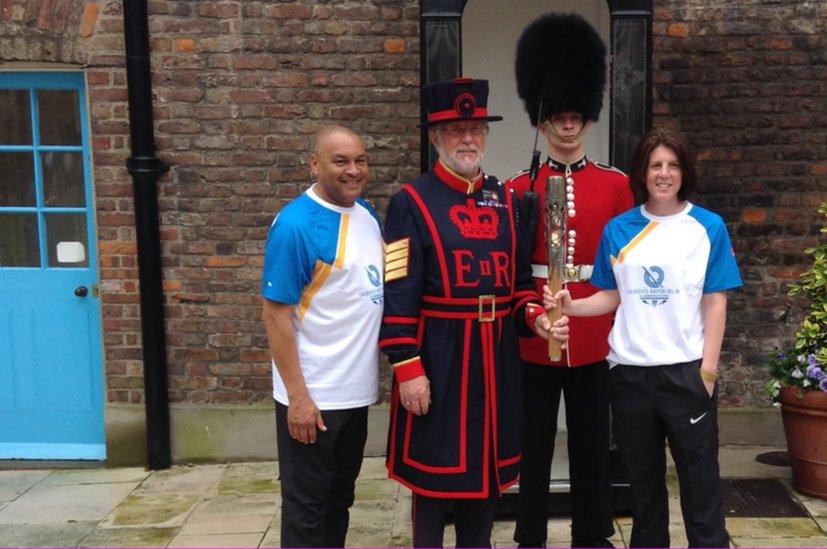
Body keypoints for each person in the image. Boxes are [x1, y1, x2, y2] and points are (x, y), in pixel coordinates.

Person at [379, 77, 565, 548]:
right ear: (435, 137)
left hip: (496, 357)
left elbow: (520, 285)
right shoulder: (410, 202)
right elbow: (397, 293)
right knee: (432, 481)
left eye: (476, 128)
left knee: (485, 475)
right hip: (439, 357)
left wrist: (535, 318)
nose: (468, 138)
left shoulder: (504, 199)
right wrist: (407, 367)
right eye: (457, 128)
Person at [546, 129, 741, 548]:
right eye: (656, 165)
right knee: (643, 489)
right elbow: (612, 294)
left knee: (700, 483)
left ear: (684, 172)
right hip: (631, 375)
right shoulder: (620, 229)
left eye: (672, 165)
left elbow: (716, 303)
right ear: (643, 172)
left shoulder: (708, 227)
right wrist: (573, 306)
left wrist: (708, 371)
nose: (664, 174)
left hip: (686, 374)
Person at [508, 12, 633, 549]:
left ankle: (593, 533)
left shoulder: (616, 185)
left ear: (587, 117)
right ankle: (529, 533)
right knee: (533, 441)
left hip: (593, 330)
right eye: (557, 114)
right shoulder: (517, 186)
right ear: (542, 119)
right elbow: (512, 267)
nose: (567, 123)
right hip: (537, 331)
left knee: (590, 441)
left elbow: (624, 266)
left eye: (575, 114)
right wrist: (534, 317)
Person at [261, 125, 382, 548]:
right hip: (313, 397)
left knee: (339, 501)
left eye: (360, 160)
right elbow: (275, 316)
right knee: (305, 511)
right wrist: (298, 397)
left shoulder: (366, 215)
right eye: (341, 161)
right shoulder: (295, 225)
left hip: (355, 393)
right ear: (315, 164)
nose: (353, 170)